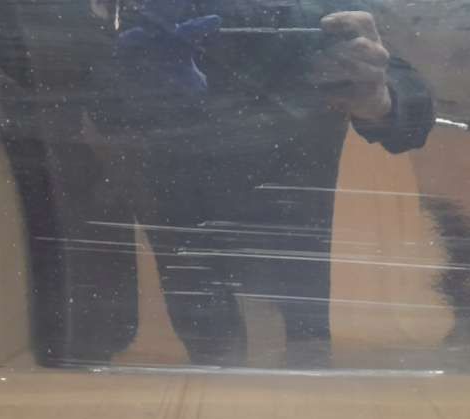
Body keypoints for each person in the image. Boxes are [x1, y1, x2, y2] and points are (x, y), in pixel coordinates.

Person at [84, 0, 435, 368]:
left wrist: (380, 98)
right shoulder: (144, 10)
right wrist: (123, 63)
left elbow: (411, 108)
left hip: (289, 235)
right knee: (213, 355)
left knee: (295, 359)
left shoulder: (310, 10)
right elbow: (97, 110)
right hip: (184, 239)